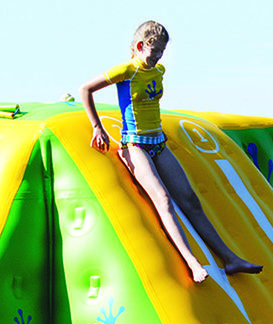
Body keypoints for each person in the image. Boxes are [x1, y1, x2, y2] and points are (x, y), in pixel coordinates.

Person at [79, 20, 262, 283]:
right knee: (163, 200)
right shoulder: (126, 70)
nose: (158, 57)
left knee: (190, 200)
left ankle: (230, 259)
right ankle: (193, 263)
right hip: (135, 145)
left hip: (158, 142)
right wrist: (96, 126)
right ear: (140, 46)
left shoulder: (158, 71)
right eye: (154, 51)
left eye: (162, 52)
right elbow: (85, 89)